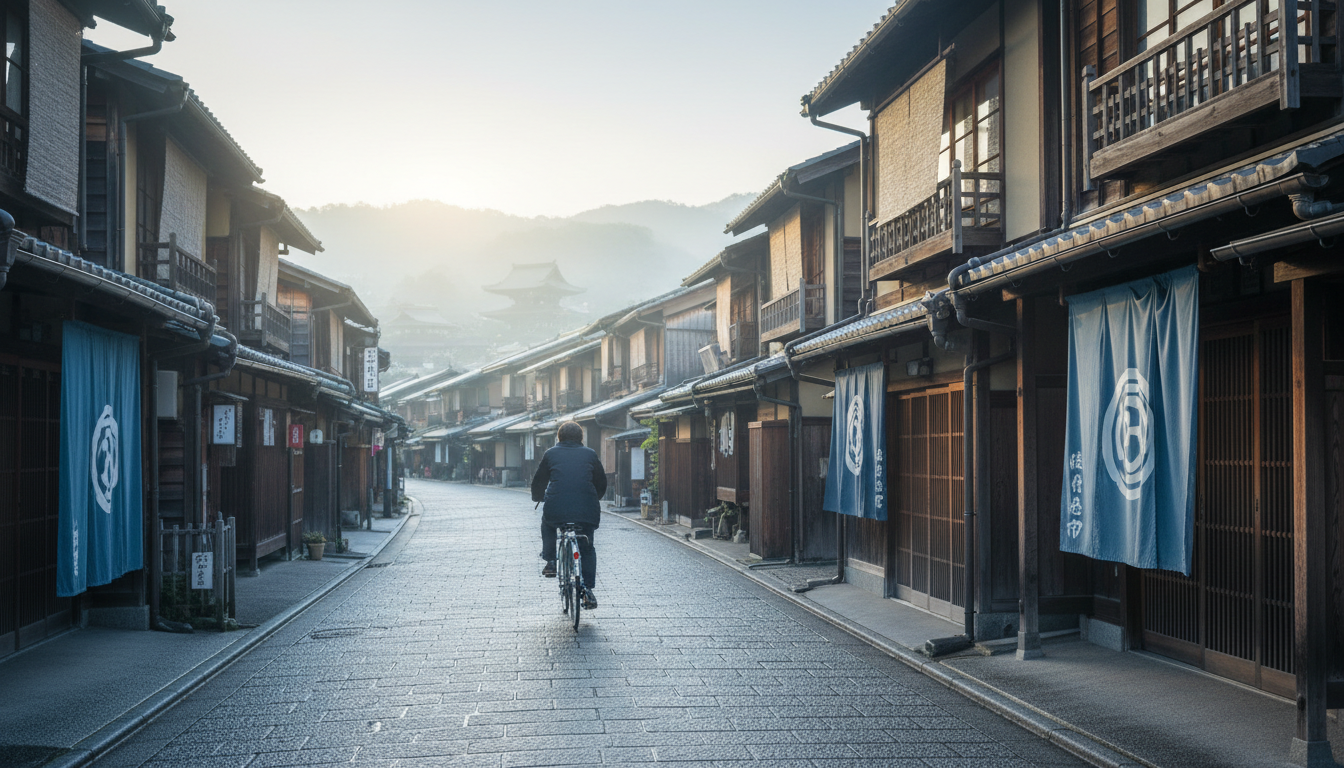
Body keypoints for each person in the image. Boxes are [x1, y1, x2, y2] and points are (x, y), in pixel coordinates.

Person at [531, 420, 604, 609]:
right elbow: (601, 482)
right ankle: (587, 590)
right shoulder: (590, 454)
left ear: (559, 437)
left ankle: (551, 561)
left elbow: (539, 480)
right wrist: (595, 497)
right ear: (581, 437)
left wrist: (538, 497)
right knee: (587, 546)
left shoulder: (551, 454)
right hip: (586, 508)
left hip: (556, 507)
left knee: (547, 524)